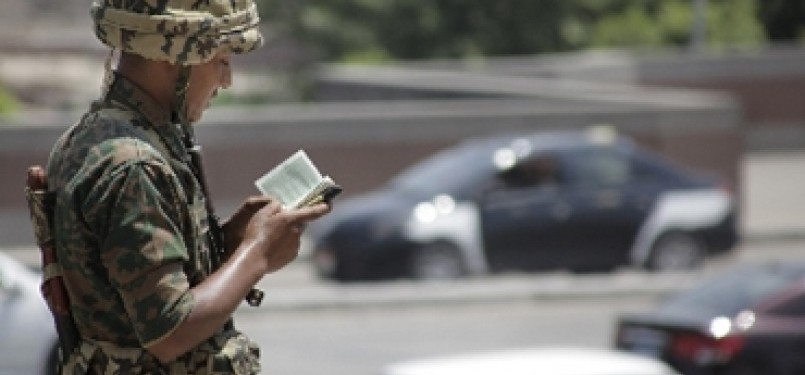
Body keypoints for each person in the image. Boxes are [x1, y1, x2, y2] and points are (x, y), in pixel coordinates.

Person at [43, 0, 329, 373]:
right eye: (221, 61)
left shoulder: (99, 135)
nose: (226, 81)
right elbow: (169, 331)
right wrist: (256, 252)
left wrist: (230, 242)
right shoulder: (133, 164)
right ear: (175, 54)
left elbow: (134, 289)